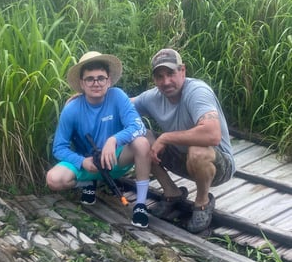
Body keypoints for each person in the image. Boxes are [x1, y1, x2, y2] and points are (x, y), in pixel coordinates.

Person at [132, 48, 236, 233]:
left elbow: (213, 134)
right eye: (159, 76)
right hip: (181, 157)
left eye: (171, 73)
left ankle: (202, 202)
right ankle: (173, 194)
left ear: (182, 71)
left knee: (198, 149)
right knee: (140, 137)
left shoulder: (197, 91)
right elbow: (122, 104)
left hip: (217, 164)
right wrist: (88, 97)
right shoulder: (152, 97)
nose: (166, 82)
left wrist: (165, 137)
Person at [46, 51, 151, 228]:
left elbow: (138, 127)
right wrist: (82, 162)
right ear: (82, 83)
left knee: (142, 142)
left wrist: (114, 140)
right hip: (89, 163)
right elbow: (59, 147)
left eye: (101, 78)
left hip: (115, 160)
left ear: (108, 81)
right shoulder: (71, 109)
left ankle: (140, 205)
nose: (96, 83)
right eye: (90, 79)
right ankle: (89, 182)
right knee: (53, 179)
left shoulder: (118, 96)